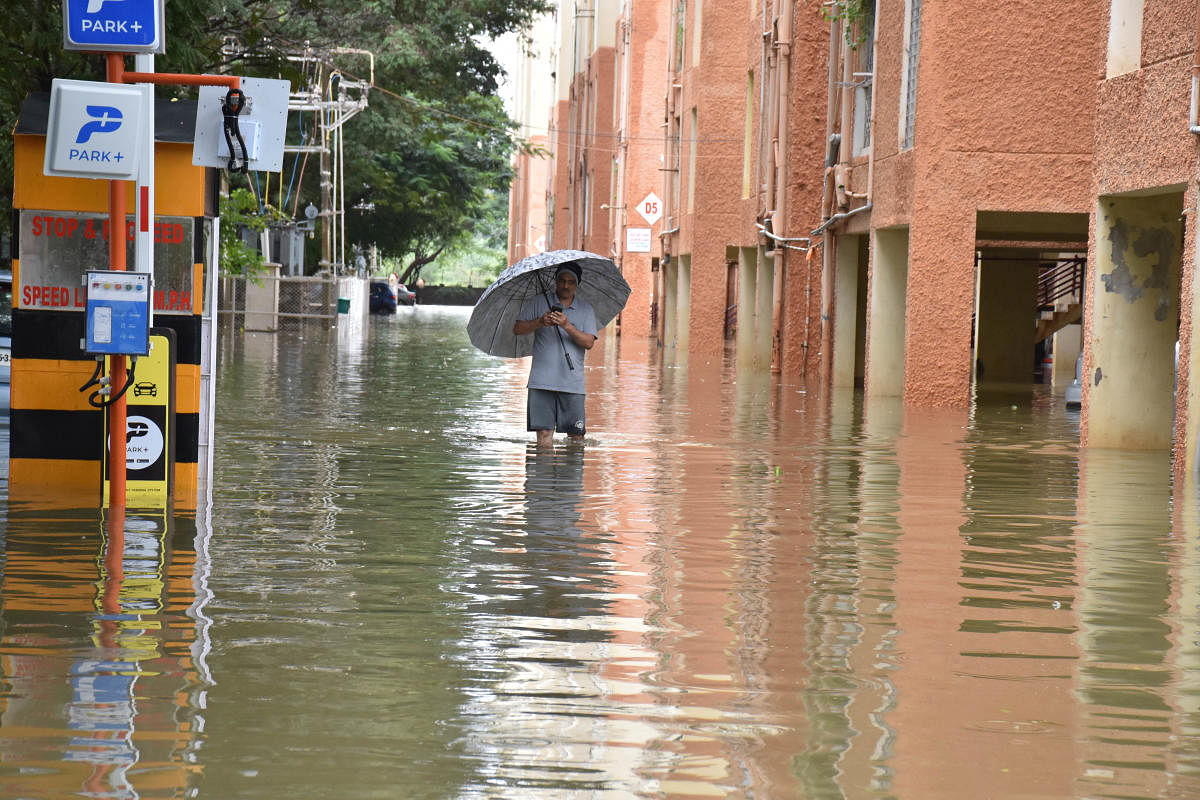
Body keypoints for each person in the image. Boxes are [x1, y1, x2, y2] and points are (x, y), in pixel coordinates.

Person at [512, 262, 598, 446]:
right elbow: (518, 328)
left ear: (576, 284)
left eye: (570, 282)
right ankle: (541, 474)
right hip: (541, 381)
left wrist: (567, 325)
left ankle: (568, 475)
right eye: (561, 281)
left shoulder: (586, 310)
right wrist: (540, 322)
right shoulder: (538, 302)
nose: (565, 286)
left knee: (576, 438)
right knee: (543, 434)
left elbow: (589, 342)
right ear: (556, 281)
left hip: (572, 384)